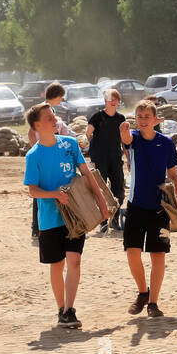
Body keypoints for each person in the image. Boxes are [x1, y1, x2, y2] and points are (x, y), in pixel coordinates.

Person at [24, 101, 109, 329]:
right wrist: (54, 195)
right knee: (57, 264)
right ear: (37, 126)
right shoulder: (33, 156)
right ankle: (60, 309)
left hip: (77, 215)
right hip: (50, 219)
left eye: (54, 116)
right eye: (50, 118)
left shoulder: (71, 144)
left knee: (75, 259)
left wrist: (102, 203)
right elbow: (33, 190)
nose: (55, 120)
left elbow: (87, 175)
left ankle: (69, 309)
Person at [120, 100, 177, 318]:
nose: (143, 120)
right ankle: (142, 292)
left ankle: (153, 302)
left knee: (158, 255)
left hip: (160, 208)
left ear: (156, 120)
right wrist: (124, 131)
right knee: (132, 252)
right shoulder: (134, 139)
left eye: (147, 116)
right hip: (136, 206)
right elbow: (126, 139)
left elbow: (173, 174)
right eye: (139, 116)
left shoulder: (165, 143)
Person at [26, 82, 72, 243]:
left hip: (54, 155)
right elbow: (31, 133)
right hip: (43, 155)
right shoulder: (41, 110)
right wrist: (38, 151)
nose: (62, 100)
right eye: (61, 97)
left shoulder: (52, 111)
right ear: (57, 95)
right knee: (39, 192)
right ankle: (36, 227)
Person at [85, 88, 126, 233]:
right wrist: (88, 146)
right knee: (101, 188)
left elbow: (124, 140)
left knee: (119, 189)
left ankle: (114, 219)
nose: (114, 102)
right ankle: (102, 220)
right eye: (111, 99)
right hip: (100, 158)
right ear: (105, 101)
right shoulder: (97, 117)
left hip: (115, 157)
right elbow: (87, 134)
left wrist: (127, 156)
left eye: (116, 100)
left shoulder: (121, 119)